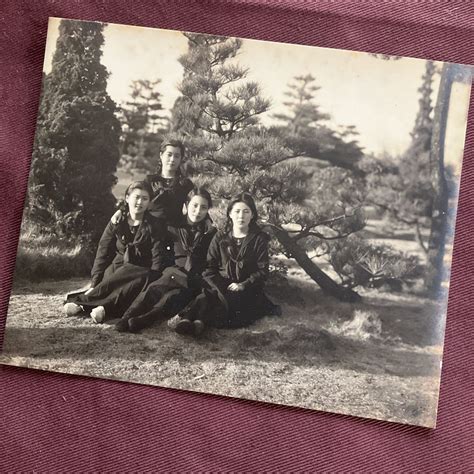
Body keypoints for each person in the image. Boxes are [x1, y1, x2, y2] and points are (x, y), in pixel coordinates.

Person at [63, 181, 174, 323]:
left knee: (134, 288)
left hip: (140, 271)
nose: (139, 202)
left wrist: (153, 279)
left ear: (149, 202)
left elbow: (157, 254)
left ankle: (95, 306)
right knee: (110, 280)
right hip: (117, 269)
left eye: (145, 199)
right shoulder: (117, 221)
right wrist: (95, 282)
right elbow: (103, 249)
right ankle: (89, 303)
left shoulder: (154, 224)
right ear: (127, 198)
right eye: (136, 197)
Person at [170, 192, 280, 334]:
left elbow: (263, 271)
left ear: (252, 215)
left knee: (224, 305)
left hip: (247, 289)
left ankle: (196, 321)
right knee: (208, 296)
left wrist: (243, 284)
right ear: (230, 214)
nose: (241, 216)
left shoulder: (259, 239)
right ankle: (188, 322)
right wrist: (218, 285)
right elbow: (210, 266)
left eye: (246, 212)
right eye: (237, 211)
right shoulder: (220, 237)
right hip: (220, 284)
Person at [114, 187, 217, 333]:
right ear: (186, 206)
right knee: (155, 288)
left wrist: (208, 230)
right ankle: (127, 317)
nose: (198, 211)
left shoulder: (210, 233)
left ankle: (144, 319)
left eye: (203, 207)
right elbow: (150, 215)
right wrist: (121, 211)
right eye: (194, 205)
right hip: (174, 272)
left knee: (173, 297)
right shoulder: (172, 227)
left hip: (194, 278)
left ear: (208, 211)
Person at [112, 139, 193, 227]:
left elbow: (196, 204)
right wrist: (121, 211)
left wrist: (207, 220)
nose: (172, 159)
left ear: (181, 158)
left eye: (177, 156)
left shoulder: (185, 184)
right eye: (169, 155)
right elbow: (135, 197)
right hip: (150, 230)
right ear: (161, 155)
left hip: (175, 232)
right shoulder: (150, 181)